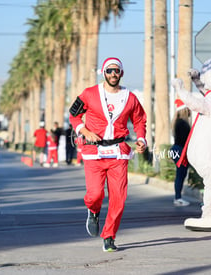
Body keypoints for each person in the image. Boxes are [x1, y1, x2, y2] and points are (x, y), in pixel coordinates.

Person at [69, 57, 147, 252]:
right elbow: (73, 114)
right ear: (104, 73)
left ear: (121, 73)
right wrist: (84, 131)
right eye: (110, 71)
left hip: (118, 153)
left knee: (118, 198)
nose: (113, 74)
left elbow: (139, 120)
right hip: (94, 152)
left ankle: (109, 236)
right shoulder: (89, 94)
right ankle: (93, 210)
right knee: (95, 194)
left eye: (117, 71)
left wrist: (142, 139)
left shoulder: (130, 97)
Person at [170, 99, 191, 207]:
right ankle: (178, 198)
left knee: (180, 174)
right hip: (180, 151)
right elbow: (185, 139)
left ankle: (178, 197)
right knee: (180, 174)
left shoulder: (177, 121)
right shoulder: (183, 123)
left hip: (176, 149)